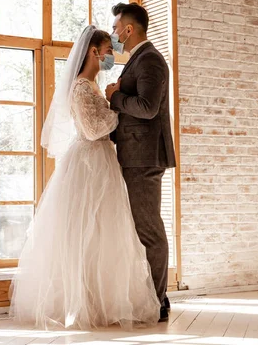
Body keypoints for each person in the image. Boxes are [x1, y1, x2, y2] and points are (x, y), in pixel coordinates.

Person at [9, 26, 160, 330]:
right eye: (107, 51)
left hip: (103, 160)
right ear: (93, 52)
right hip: (88, 162)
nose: (110, 56)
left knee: (105, 232)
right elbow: (92, 130)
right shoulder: (80, 86)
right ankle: (83, 302)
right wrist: (117, 105)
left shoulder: (93, 84)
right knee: (84, 232)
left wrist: (112, 99)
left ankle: (103, 299)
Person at [105, 3, 177, 322]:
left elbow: (147, 108)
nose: (114, 33)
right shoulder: (138, 59)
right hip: (135, 154)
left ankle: (158, 300)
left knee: (149, 230)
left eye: (116, 28)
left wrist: (114, 98)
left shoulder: (150, 60)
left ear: (129, 29)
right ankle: (153, 295)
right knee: (142, 227)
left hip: (144, 157)